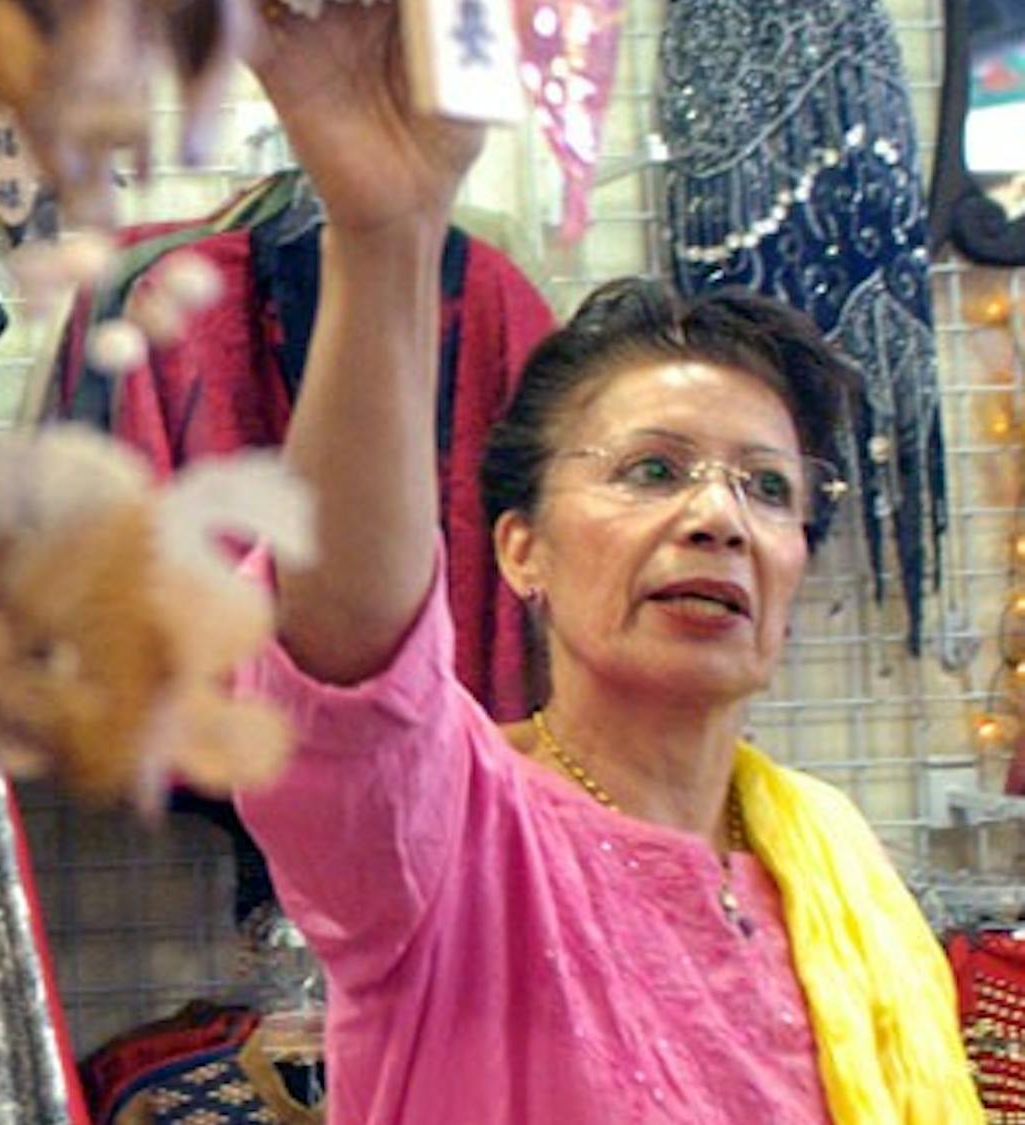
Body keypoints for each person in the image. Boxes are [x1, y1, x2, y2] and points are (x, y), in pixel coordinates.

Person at [229, 4, 983, 1122]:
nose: (718, 517)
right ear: (520, 548)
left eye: (767, 487)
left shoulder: (834, 866)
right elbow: (345, 667)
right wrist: (387, 235)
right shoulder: (445, 848)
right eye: (651, 469)